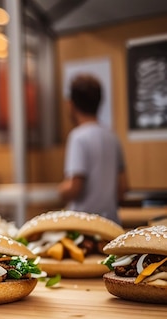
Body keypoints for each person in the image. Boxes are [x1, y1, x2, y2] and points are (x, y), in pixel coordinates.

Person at [58, 74, 127, 224]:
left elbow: (75, 187)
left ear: (71, 104)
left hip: (85, 227)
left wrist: (59, 191)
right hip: (111, 223)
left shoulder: (78, 137)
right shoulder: (112, 136)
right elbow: (122, 187)